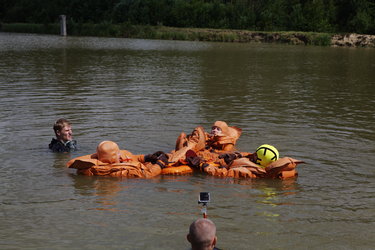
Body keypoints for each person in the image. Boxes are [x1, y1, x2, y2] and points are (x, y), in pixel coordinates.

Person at [67, 140, 168, 178]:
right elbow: (147, 175)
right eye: (117, 153)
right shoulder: (114, 171)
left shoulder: (101, 159)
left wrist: (146, 157)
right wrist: (160, 163)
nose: (120, 155)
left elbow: (132, 158)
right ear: (112, 157)